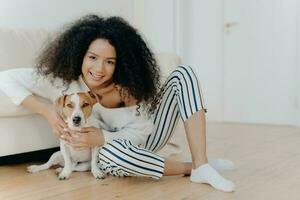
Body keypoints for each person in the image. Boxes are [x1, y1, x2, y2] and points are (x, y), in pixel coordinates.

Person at [0, 15, 235, 192]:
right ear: (79, 54)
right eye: (92, 58)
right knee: (114, 155)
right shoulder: (62, 83)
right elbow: (5, 78)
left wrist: (103, 137)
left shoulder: (128, 86)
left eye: (109, 62)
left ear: (119, 63)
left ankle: (202, 162)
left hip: (145, 139)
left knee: (183, 73)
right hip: (112, 154)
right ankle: (191, 168)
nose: (99, 69)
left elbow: (143, 132)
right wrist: (48, 112)